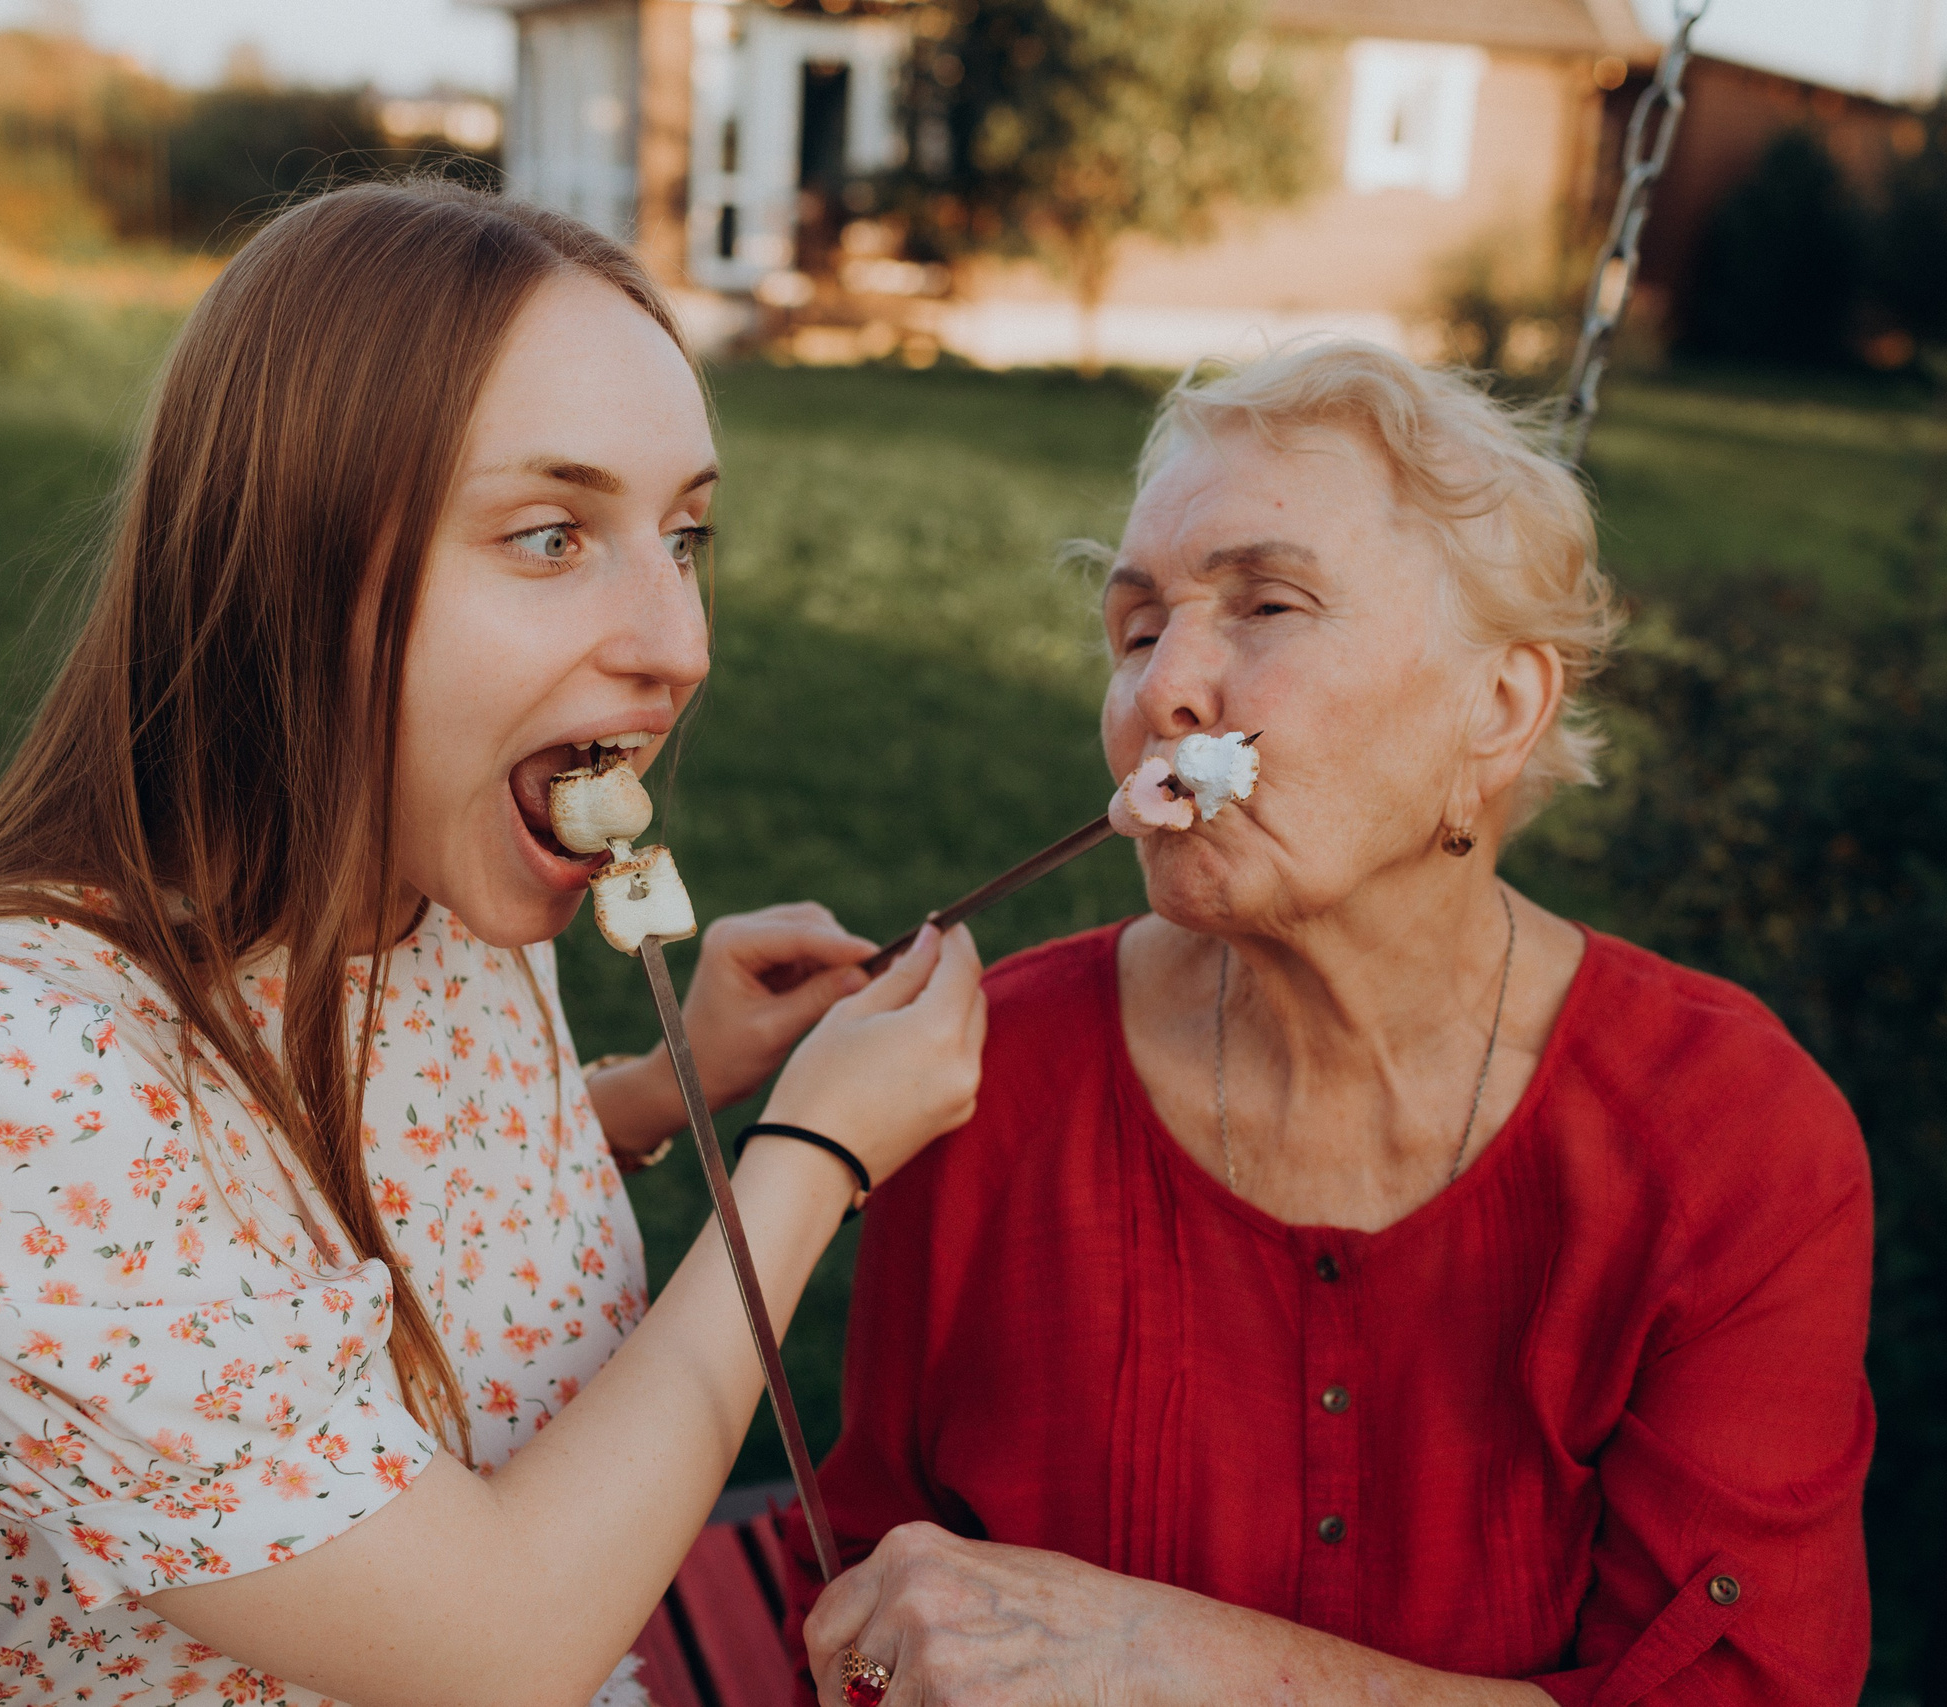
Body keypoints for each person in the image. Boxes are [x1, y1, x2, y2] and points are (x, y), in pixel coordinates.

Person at [0, 180, 988, 1707]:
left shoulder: (440, 898)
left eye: (684, 535)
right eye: (550, 535)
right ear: (289, 559)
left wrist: (654, 1094)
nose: (682, 643)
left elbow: (319, 1213)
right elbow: (497, 1643)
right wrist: (811, 1158)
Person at [785, 342, 1874, 1706]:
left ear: (1500, 704)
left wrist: (1171, 1664)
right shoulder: (978, 1080)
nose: (1161, 692)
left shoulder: (1727, 1137)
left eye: (1268, 605)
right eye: (1136, 631)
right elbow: (864, 1614)